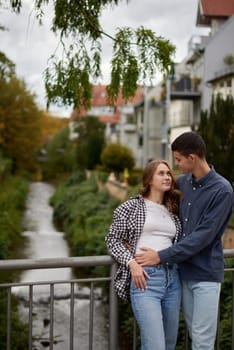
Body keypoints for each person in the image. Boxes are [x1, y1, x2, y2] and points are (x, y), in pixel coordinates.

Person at [135, 132, 234, 350]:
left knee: (202, 340)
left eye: (178, 159)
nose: (175, 165)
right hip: (181, 273)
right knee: (191, 332)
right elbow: (155, 203)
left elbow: (203, 237)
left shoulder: (223, 190)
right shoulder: (182, 183)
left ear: (193, 158)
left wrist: (159, 256)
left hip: (206, 274)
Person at [105, 160, 183, 350]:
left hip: (172, 279)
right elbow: (112, 239)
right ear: (149, 179)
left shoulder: (173, 209)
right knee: (155, 345)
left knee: (169, 344)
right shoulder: (131, 207)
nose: (167, 177)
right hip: (145, 280)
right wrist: (132, 263)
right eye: (161, 173)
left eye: (168, 173)